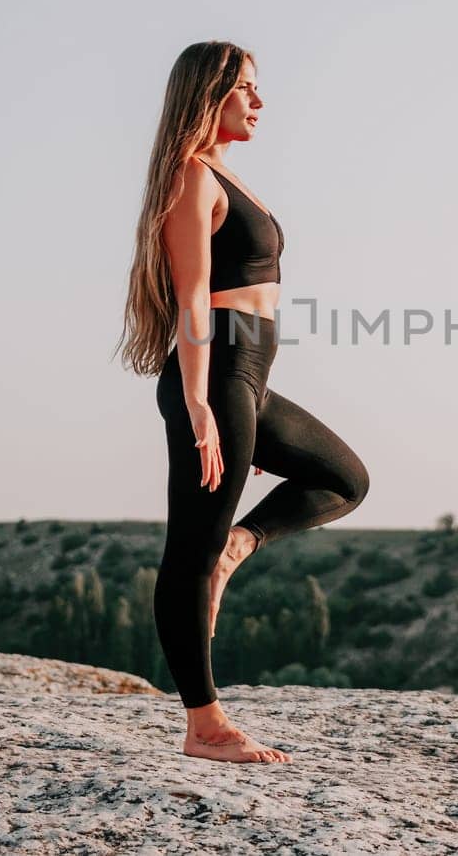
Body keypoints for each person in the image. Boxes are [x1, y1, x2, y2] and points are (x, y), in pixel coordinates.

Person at [114, 40, 371, 764]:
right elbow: (194, 298)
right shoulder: (193, 179)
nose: (259, 102)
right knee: (188, 553)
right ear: (210, 93)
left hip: (248, 377)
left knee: (344, 479)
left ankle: (243, 542)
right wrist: (198, 403)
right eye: (247, 89)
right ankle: (205, 723)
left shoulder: (224, 175)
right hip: (218, 374)